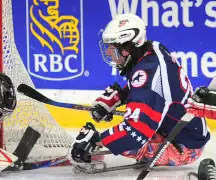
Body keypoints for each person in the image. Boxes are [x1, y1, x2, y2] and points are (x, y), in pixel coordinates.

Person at [70, 13, 210, 167]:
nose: (109, 52)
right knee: (134, 121)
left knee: (130, 138)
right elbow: (147, 85)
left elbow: (135, 133)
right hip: (181, 130)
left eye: (112, 46)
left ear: (126, 49)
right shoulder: (152, 50)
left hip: (184, 148)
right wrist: (119, 97)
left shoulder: (148, 76)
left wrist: (97, 140)